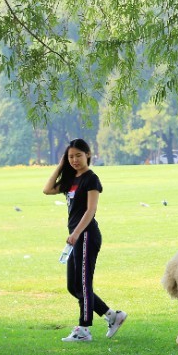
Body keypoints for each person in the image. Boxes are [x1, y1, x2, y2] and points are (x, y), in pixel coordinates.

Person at [43, 138, 126, 342]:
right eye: (70, 156)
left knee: (84, 283)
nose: (74, 160)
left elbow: (91, 210)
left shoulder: (91, 179)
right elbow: (47, 189)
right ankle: (112, 316)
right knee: (74, 286)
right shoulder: (72, 179)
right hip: (76, 237)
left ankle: (84, 329)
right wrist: (61, 165)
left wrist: (77, 233)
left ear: (88, 154)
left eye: (78, 155)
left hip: (86, 235)